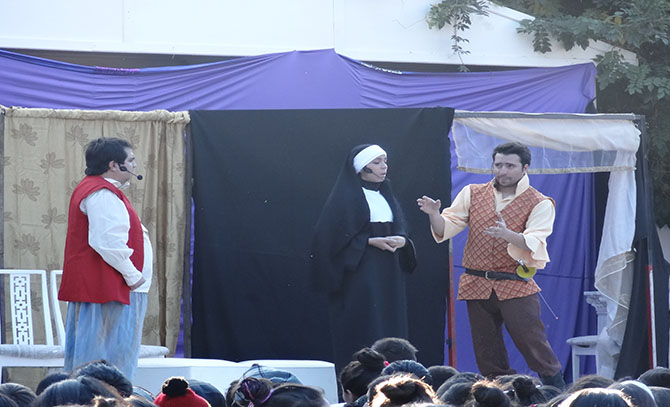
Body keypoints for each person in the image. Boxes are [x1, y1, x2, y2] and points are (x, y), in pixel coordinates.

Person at [417, 142, 564, 388]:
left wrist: (509, 235)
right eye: (498, 165)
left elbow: (536, 240)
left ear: (525, 168)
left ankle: (558, 392)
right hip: (476, 281)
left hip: (514, 283)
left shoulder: (540, 202)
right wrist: (434, 214)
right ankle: (498, 394)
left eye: (510, 166)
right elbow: (447, 227)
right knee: (486, 351)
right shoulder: (472, 192)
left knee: (533, 344)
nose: (502, 171)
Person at [310, 144, 416, 372]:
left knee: (390, 324)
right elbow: (329, 242)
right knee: (366, 324)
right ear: (361, 168)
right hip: (360, 273)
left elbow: (401, 228)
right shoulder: (345, 199)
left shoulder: (386, 194)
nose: (384, 167)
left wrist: (402, 240)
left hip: (389, 273)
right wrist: (368, 241)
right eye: (376, 162)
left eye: (385, 161)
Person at [59, 137, 153, 381]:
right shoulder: (101, 193)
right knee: (108, 360)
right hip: (110, 288)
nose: (134, 165)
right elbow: (107, 241)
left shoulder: (99, 190)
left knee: (103, 358)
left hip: (108, 287)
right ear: (114, 165)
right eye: (130, 160)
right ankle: (102, 396)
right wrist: (133, 275)